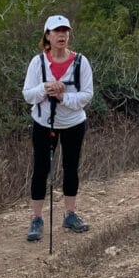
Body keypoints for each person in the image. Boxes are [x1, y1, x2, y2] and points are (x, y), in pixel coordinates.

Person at [23, 15, 94, 240]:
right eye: (57, 31)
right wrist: (46, 87)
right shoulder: (38, 62)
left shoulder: (81, 62)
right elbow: (28, 95)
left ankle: (70, 214)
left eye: (65, 31)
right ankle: (36, 219)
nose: (62, 35)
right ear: (47, 35)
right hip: (44, 123)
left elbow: (87, 96)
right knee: (41, 169)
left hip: (73, 124)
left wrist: (63, 97)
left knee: (71, 167)